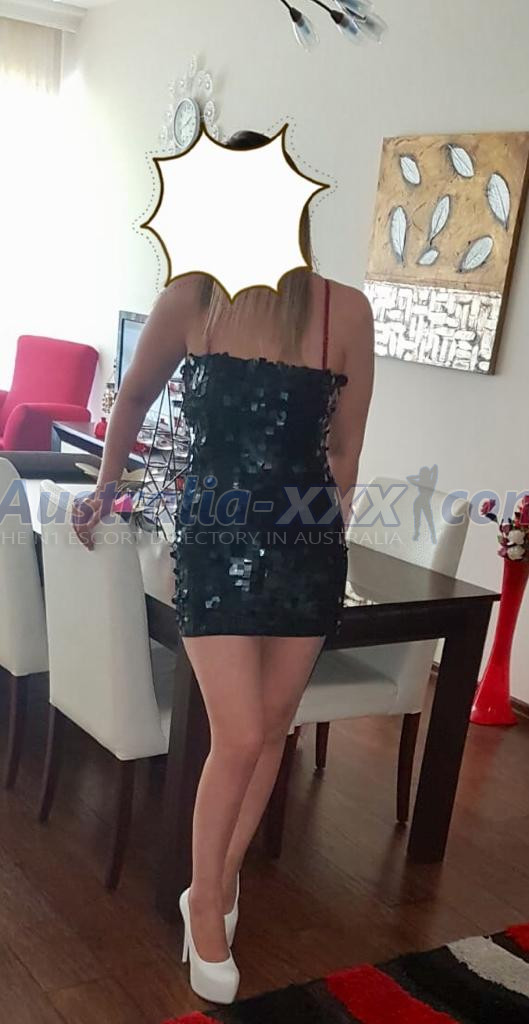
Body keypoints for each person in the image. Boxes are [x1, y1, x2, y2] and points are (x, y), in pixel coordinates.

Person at [73, 129, 374, 1005]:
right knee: (238, 733)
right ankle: (203, 900)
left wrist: (319, 526)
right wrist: (106, 488)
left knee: (272, 728)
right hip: (212, 538)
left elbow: (345, 451)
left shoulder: (343, 312)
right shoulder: (190, 300)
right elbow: (132, 396)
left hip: (304, 548)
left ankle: (223, 873)